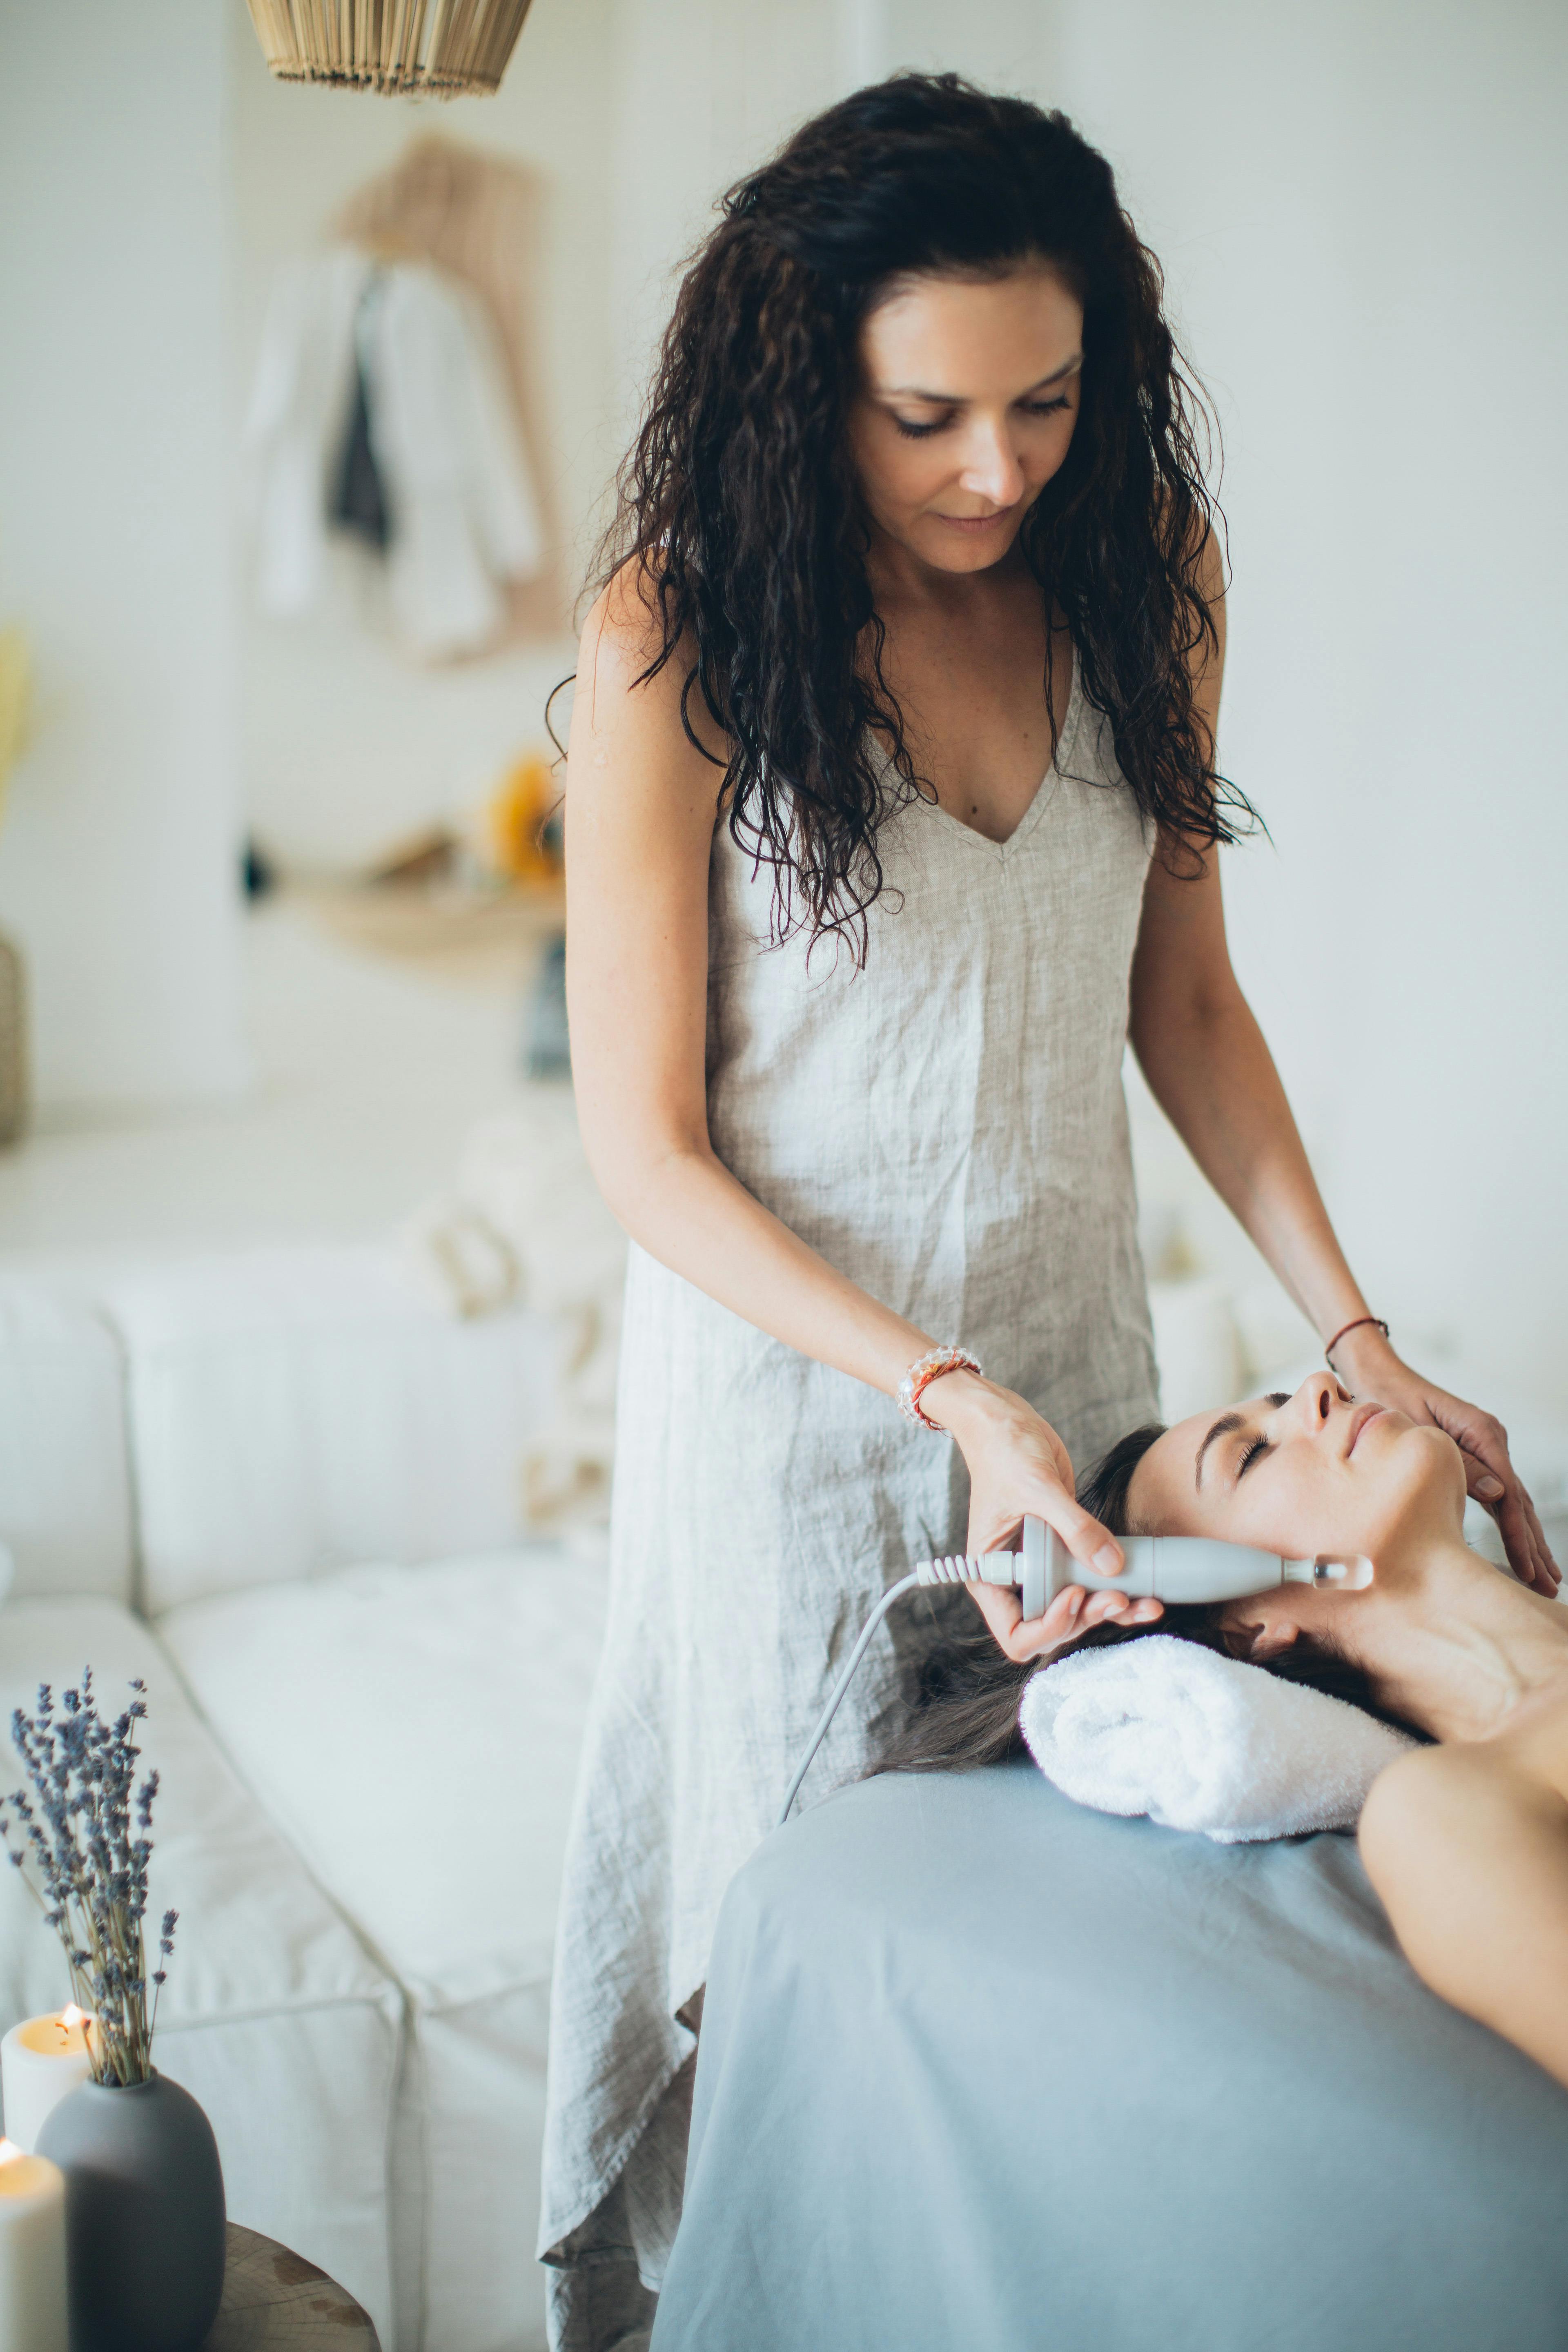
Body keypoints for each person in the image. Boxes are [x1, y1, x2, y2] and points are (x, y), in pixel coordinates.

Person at [542, 72, 1556, 2346]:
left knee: (1009, 2005)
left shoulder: (1140, 579)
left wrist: (1357, 1330)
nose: (999, 469)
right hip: (789, 1430)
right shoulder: (674, 637)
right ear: (807, 382)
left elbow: (1185, 1006)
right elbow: (644, 1155)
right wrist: (936, 1387)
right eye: (928, 417)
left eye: (1048, 402)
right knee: (774, 1977)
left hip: (1077, 1402)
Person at [880, 1370, 1568, 2096]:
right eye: (1251, 1456)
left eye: (1276, 1408)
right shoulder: (1445, 1815)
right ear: (1248, 1631)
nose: (1320, 1385)